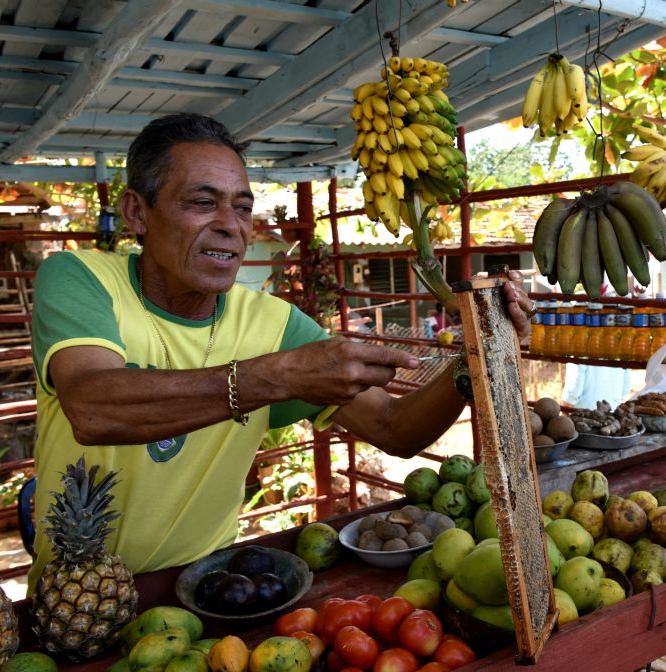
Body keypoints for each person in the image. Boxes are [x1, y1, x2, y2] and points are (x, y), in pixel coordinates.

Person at [27, 113, 535, 588]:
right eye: (203, 203)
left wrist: (480, 351)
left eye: (243, 208)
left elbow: (394, 428)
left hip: (209, 589)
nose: (232, 225)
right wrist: (278, 378)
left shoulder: (271, 325)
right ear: (137, 211)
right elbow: (92, 407)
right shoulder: (83, 279)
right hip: (76, 596)